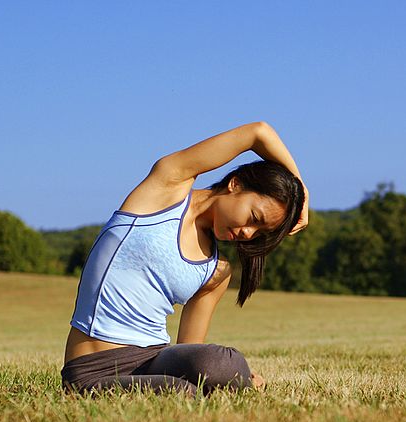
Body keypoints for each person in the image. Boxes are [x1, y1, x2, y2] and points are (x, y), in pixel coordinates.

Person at [61, 121, 308, 396]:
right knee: (181, 392)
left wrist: (223, 372)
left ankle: (235, 381)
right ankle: (228, 386)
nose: (248, 233)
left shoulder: (217, 270)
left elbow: (189, 353)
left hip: (154, 361)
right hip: (93, 370)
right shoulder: (166, 188)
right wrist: (301, 194)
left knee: (219, 362)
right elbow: (257, 132)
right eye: (254, 218)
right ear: (235, 184)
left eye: (260, 232)